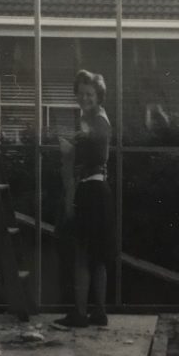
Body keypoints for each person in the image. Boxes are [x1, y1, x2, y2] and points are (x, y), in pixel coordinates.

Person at [55, 70, 113, 328]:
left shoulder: (97, 120)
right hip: (98, 191)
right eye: (80, 94)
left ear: (98, 96)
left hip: (91, 192)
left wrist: (73, 147)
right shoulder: (90, 119)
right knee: (97, 256)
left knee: (82, 255)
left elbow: (98, 142)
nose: (84, 98)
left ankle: (80, 314)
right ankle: (99, 313)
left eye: (89, 94)